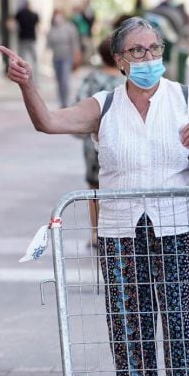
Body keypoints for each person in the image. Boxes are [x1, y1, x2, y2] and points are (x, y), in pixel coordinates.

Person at [0, 16, 189, 376]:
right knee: (130, 330)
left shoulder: (188, 99)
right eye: (137, 52)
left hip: (176, 230)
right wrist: (27, 85)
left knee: (184, 327)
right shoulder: (104, 105)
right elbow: (49, 122)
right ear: (119, 61)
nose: (149, 58)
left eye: (154, 48)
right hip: (120, 233)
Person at [73, 39, 125, 240]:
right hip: (122, 141)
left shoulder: (92, 78)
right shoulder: (127, 80)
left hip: (93, 142)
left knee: (94, 187)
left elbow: (79, 104)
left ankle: (96, 232)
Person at [46, 9, 81, 107]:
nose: (57, 18)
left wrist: (76, 55)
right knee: (59, 81)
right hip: (56, 58)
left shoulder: (69, 27)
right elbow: (48, 45)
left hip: (67, 57)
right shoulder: (52, 30)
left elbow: (75, 43)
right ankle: (61, 101)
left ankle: (66, 101)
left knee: (65, 80)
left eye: (59, 15)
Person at [14, 2, 40, 75]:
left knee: (22, 59)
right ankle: (33, 76)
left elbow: (15, 24)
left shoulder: (20, 14)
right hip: (31, 39)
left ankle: (23, 74)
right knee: (34, 60)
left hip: (23, 39)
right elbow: (38, 27)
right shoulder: (34, 15)